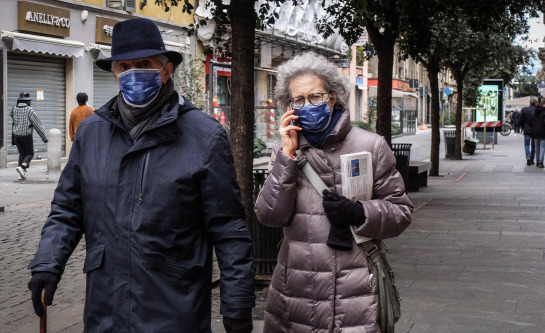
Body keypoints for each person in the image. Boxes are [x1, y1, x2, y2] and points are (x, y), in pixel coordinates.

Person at [27, 18, 255, 333]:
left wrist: (237, 308)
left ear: (165, 70)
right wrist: (47, 264)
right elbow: (67, 209)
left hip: (174, 313)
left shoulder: (204, 136)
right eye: (125, 66)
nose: (133, 73)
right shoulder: (91, 132)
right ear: (116, 73)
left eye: (144, 64)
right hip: (105, 313)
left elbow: (229, 231)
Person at [254, 52, 413, 332]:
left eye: (315, 96)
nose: (307, 105)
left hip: (355, 292)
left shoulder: (371, 145)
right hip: (297, 289)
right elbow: (269, 216)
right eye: (298, 100)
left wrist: (360, 212)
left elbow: (400, 212)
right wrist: (288, 158)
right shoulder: (284, 149)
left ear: (333, 96)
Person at [10, 92, 48, 180]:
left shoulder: (13, 108)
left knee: (22, 154)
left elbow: (12, 116)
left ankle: (21, 174)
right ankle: (22, 167)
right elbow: (37, 124)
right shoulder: (29, 110)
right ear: (27, 101)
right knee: (30, 153)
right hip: (26, 135)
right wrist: (44, 138)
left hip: (16, 135)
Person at [518, 96, 539, 165]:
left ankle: (528, 156)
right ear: (535, 102)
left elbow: (520, 119)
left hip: (526, 129)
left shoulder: (524, 109)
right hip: (535, 130)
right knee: (533, 145)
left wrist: (522, 127)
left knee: (526, 144)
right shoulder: (537, 110)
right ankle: (532, 159)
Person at [531, 99, 545, 169]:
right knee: (542, 147)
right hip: (543, 132)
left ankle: (537, 161)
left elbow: (531, 123)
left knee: (537, 147)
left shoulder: (533, 113)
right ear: (544, 105)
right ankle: (541, 162)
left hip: (535, 132)